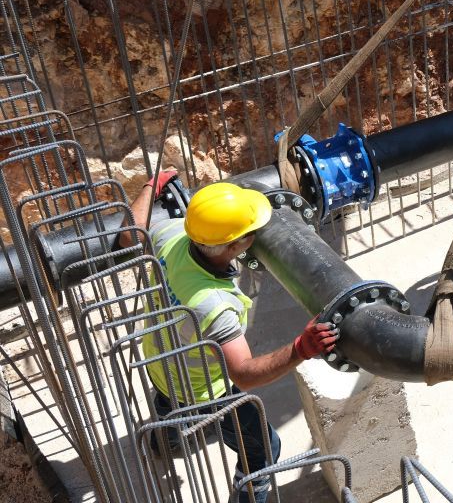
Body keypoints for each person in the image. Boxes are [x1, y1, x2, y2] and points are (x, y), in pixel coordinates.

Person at [124, 174, 338, 503]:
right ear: (234, 247)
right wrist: (301, 348)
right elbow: (244, 374)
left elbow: (128, 234)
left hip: (161, 361)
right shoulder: (214, 304)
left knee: (168, 403)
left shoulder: (171, 234)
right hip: (202, 389)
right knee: (263, 449)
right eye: (250, 233)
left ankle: (163, 443)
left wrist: (151, 186)